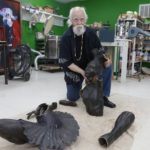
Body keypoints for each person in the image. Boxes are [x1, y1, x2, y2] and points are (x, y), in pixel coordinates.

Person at [59, 6, 116, 108]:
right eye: (76, 19)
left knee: (107, 66)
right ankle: (84, 87)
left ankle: (103, 96)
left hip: (90, 68)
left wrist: (106, 60)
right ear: (71, 20)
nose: (79, 23)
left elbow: (99, 52)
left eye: (82, 19)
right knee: (72, 97)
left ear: (85, 20)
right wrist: (82, 72)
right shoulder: (65, 38)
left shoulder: (91, 34)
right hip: (74, 71)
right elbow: (66, 62)